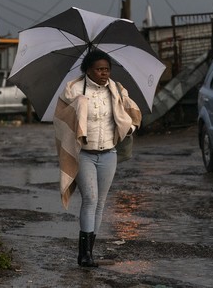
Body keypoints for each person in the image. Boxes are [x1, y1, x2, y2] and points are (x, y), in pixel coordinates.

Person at [52, 48, 141, 267]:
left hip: (109, 153)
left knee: (100, 202)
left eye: (107, 69)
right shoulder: (73, 89)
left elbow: (131, 113)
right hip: (84, 154)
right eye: (99, 69)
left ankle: (89, 252)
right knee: (90, 199)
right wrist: (79, 105)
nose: (104, 73)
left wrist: (128, 129)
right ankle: (83, 255)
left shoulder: (117, 90)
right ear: (88, 70)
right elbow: (61, 119)